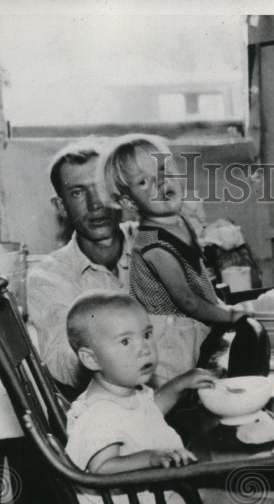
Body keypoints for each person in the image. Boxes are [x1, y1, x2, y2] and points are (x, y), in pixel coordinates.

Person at [63, 290, 274, 504]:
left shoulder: (122, 391)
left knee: (204, 483)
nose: (143, 348)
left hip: (143, 493)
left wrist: (180, 383)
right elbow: (102, 468)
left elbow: (148, 411)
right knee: (201, 497)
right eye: (124, 342)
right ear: (91, 358)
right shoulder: (100, 413)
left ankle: (271, 498)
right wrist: (151, 457)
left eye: (146, 334)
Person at [100, 133, 246, 379]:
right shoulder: (153, 246)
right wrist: (231, 314)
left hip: (193, 329)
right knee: (181, 396)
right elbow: (187, 301)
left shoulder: (181, 220)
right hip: (166, 343)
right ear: (129, 202)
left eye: (163, 169)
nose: (159, 182)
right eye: (143, 182)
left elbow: (199, 277)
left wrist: (221, 307)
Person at [29, 138, 136, 391]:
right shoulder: (48, 278)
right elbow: (61, 365)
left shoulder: (157, 245)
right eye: (77, 193)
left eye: (101, 188)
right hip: (111, 409)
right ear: (61, 207)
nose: (94, 204)